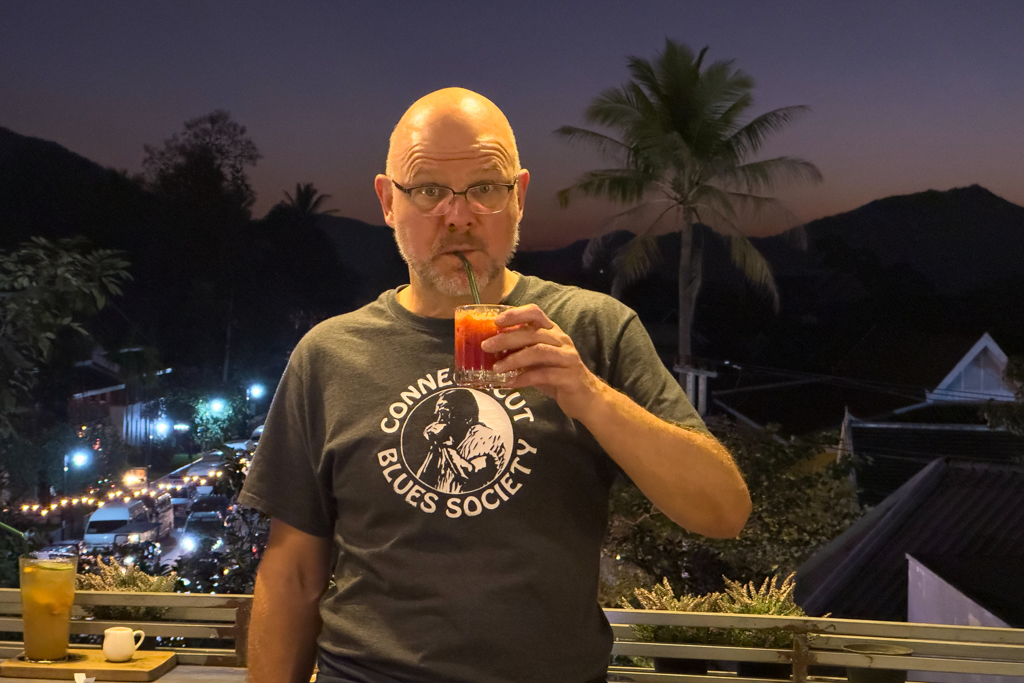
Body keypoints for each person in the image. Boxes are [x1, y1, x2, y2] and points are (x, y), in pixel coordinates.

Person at [240, 87, 751, 683]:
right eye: (428, 190)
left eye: (485, 187)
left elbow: (723, 510)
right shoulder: (328, 354)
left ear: (519, 196)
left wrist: (586, 392)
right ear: (387, 201)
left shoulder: (594, 328)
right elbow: (293, 573)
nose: (458, 217)